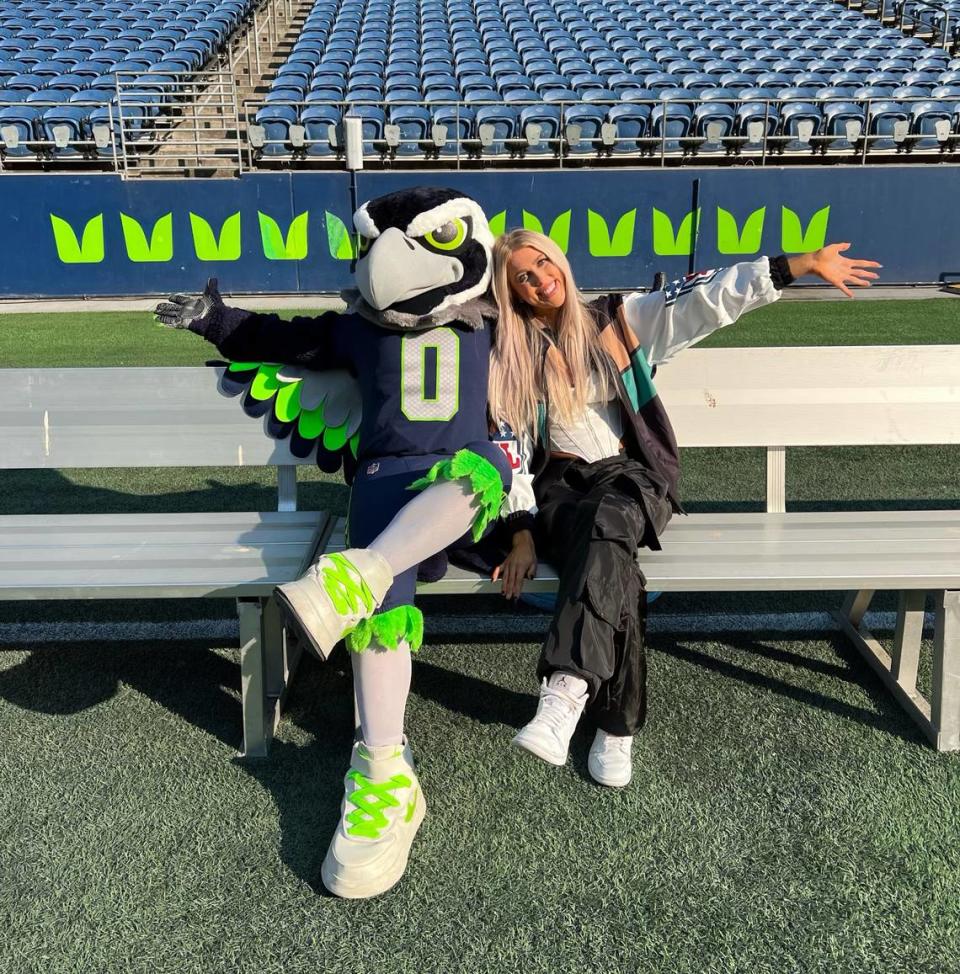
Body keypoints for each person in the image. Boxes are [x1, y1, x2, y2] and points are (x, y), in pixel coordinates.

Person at [154, 187, 510, 899]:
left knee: (486, 466)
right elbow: (283, 338)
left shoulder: (500, 325)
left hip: (463, 501)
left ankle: (357, 574)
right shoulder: (357, 331)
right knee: (384, 589)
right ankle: (384, 769)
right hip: (383, 482)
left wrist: (770, 273)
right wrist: (217, 320)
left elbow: (605, 329)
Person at [487, 230, 879, 787]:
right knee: (615, 564)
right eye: (523, 275)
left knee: (608, 522)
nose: (540, 277)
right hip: (560, 489)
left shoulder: (618, 320)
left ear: (561, 261)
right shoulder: (509, 353)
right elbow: (509, 446)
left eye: (544, 261)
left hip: (629, 476)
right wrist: (521, 533)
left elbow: (707, 298)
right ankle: (616, 728)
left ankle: (566, 691)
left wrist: (799, 265)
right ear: (512, 291)